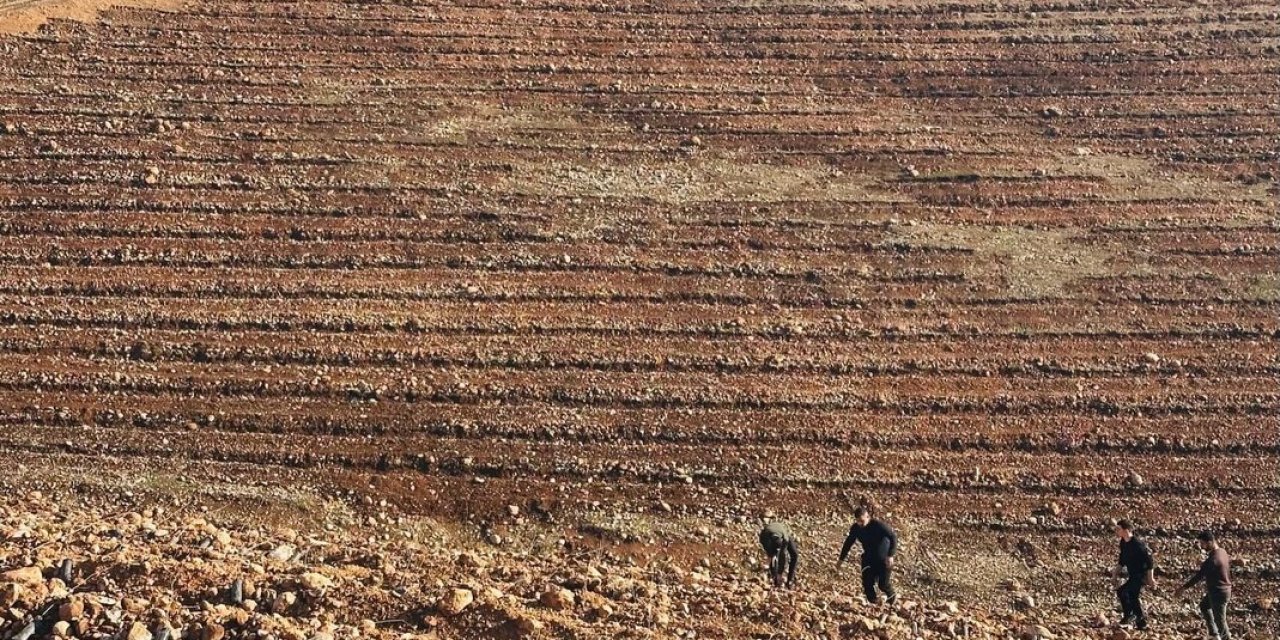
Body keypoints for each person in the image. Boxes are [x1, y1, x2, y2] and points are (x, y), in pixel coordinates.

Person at [1175, 530, 1232, 640]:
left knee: (1220, 621)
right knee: (1204, 606)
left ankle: (1225, 638)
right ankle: (1214, 634)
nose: (1201, 546)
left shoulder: (1213, 560)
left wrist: (1183, 588)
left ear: (1210, 542)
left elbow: (1199, 576)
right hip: (1222, 590)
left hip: (1218, 592)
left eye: (1203, 544)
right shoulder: (1222, 552)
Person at [836, 506, 898, 604]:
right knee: (867, 582)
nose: (860, 523)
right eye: (858, 521)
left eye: (862, 520)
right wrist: (841, 560)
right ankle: (874, 603)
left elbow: (893, 537)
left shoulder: (878, 525)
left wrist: (890, 555)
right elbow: (848, 543)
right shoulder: (856, 528)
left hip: (884, 559)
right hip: (869, 558)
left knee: (883, 584)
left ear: (867, 516)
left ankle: (893, 600)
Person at [1112, 519, 1155, 630]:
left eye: (1118, 529)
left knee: (1124, 592)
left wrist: (1151, 578)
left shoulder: (1137, 544)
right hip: (1133, 574)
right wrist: (1115, 575)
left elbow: (1149, 561)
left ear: (1126, 530)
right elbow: (1121, 561)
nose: (1116, 531)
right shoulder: (1123, 542)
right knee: (1133, 597)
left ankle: (1129, 616)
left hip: (1141, 575)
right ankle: (1141, 623)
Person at [758, 521, 799, 589]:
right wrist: (776, 576)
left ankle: (790, 581)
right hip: (769, 535)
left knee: (795, 555)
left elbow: (782, 556)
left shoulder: (785, 539)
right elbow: (771, 557)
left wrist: (780, 573)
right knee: (773, 556)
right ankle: (775, 580)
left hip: (783, 534)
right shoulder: (764, 538)